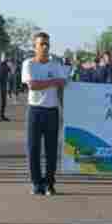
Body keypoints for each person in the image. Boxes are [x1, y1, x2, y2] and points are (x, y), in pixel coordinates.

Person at [22, 31, 69, 195]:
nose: (45, 47)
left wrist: (65, 109)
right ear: (35, 46)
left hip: (52, 111)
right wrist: (53, 82)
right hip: (35, 110)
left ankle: (49, 183)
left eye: (47, 44)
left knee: (51, 150)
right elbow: (32, 85)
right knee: (33, 148)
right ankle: (36, 183)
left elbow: (63, 84)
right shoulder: (28, 64)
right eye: (41, 44)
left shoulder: (56, 65)